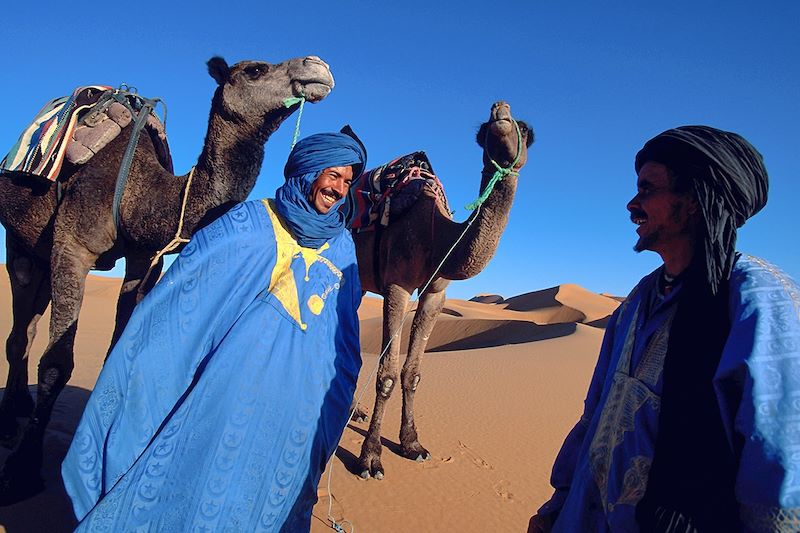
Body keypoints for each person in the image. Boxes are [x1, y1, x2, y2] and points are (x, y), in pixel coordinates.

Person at [61, 131, 367, 531]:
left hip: (297, 411)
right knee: (200, 484)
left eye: (347, 181)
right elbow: (185, 301)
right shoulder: (249, 223)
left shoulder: (342, 246)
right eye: (333, 176)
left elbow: (344, 330)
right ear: (308, 172)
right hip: (226, 402)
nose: (340, 189)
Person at [528, 126, 800, 532]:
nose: (632, 205)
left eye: (647, 189)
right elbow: (594, 418)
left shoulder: (758, 297)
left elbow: (778, 463)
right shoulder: (640, 299)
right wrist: (557, 506)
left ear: (692, 199)